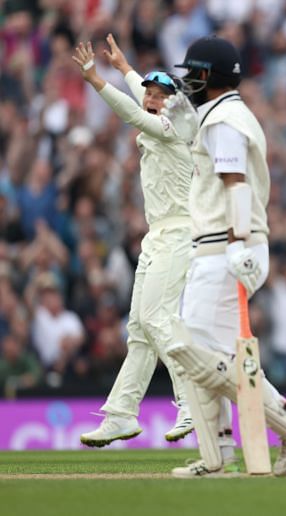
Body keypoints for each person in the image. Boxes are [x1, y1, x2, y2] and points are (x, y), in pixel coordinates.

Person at [162, 35, 286, 478]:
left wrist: (236, 242)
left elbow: (235, 182)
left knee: (189, 348)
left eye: (193, 73)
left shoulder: (226, 118)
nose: (188, 81)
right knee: (214, 356)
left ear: (209, 76)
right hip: (223, 245)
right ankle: (220, 455)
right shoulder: (217, 116)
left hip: (226, 246)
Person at [73, 35, 198, 447]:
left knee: (158, 319)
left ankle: (192, 402)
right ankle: (122, 414)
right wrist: (126, 68)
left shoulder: (175, 128)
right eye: (152, 92)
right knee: (140, 330)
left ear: (175, 102)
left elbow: (136, 114)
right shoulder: (157, 111)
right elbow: (140, 97)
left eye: (163, 94)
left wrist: (96, 81)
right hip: (157, 235)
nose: (154, 98)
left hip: (181, 233)